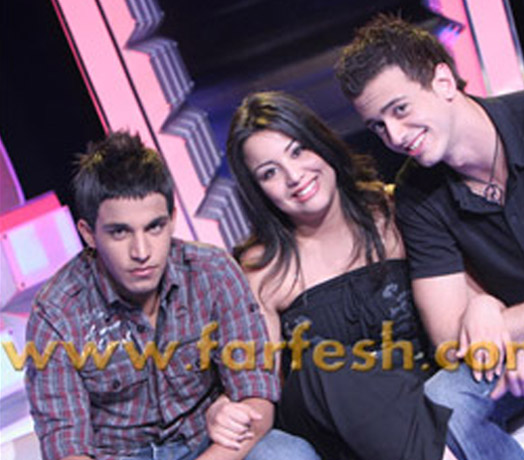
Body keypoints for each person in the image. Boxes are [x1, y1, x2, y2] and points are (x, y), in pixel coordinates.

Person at [335, 14, 524, 460]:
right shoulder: (416, 193)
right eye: (378, 125)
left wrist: (518, 320)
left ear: (442, 80)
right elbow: (449, 341)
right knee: (440, 402)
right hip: (520, 352)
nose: (394, 136)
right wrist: (481, 309)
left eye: (400, 109)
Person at [24, 131, 318, 460]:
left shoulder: (212, 271)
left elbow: (256, 396)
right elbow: (66, 445)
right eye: (120, 232)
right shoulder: (57, 312)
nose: (141, 251)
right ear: (89, 234)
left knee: (287, 454)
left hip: (210, 442)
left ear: (172, 219)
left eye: (154, 227)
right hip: (120, 456)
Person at [207, 90, 458, 460]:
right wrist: (225, 409)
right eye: (270, 173)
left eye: (297, 151)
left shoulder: (394, 212)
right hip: (329, 427)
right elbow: (258, 384)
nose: (294, 176)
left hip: (415, 393)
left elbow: (462, 298)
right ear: (257, 191)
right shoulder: (261, 269)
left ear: (320, 143)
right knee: (320, 366)